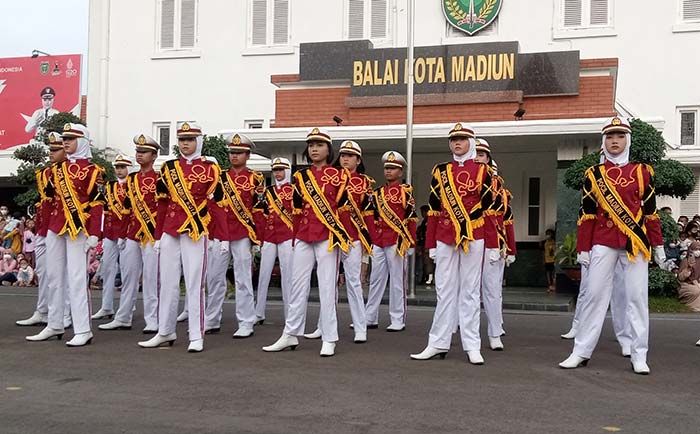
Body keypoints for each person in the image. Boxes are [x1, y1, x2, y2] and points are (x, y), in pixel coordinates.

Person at [559, 117, 665, 375]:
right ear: (604, 142)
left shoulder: (642, 172)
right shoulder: (593, 175)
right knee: (594, 296)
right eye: (609, 137)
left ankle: (639, 354)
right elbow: (587, 215)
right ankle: (581, 351)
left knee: (637, 298)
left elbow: (650, 212)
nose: (614, 141)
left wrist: (658, 244)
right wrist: (583, 248)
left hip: (634, 243)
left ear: (627, 140)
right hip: (602, 241)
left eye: (619, 136)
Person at [410, 123, 498, 365]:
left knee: (470, 291)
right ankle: (437, 343)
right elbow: (434, 210)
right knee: (444, 291)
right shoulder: (441, 171)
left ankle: (472, 345)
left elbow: (490, 212)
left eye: (462, 139)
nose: (457, 143)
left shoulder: (484, 172)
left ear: (472, 142)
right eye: (453, 139)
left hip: (474, 235)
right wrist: (431, 244)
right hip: (445, 235)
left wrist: (492, 246)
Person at [263, 128, 351, 357]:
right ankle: (290, 333)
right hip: (303, 235)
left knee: (326, 287)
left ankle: (329, 337)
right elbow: (297, 210)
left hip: (328, 237)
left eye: (319, 145)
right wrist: (294, 238)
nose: (314, 148)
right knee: (297, 285)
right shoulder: (300, 177)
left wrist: (343, 238)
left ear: (328, 149)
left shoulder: (341, 176)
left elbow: (343, 210)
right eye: (311, 144)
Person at [138, 122, 220, 353]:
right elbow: (162, 204)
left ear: (198, 141)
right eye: (182, 139)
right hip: (170, 229)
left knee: (195, 284)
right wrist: (157, 236)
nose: (185, 143)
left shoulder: (210, 169)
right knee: (168, 282)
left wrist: (217, 236)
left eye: (190, 139)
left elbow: (216, 206)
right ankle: (165, 330)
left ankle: (196, 335)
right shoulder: (168, 168)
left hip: (195, 229)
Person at [26, 123, 105, 346]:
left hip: (78, 229)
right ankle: (54, 323)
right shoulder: (55, 170)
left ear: (82, 142)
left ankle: (83, 329)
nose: (66, 142)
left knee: (77, 278)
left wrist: (94, 234)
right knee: (53, 276)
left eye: (71, 138)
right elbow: (50, 201)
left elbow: (98, 204)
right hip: (55, 226)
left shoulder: (94, 172)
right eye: (65, 138)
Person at [304, 140, 373, 343]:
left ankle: (360, 327)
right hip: (329, 236)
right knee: (327, 283)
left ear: (358, 160)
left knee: (353, 283)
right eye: (343, 155)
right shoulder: (329, 176)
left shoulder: (364, 182)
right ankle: (322, 326)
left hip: (352, 237)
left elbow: (368, 213)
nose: (345, 158)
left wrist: (367, 242)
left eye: (350, 156)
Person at [205, 133, 265, 338]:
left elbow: (258, 208)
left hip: (242, 233)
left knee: (243, 279)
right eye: (232, 152)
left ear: (247, 155)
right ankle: (211, 319)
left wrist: (257, 237)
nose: (234, 156)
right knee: (214, 277)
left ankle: (246, 321)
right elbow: (212, 207)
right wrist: (213, 234)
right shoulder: (220, 177)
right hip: (220, 234)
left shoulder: (255, 177)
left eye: (239, 153)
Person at [100, 135, 161, 333]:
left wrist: (160, 235)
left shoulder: (160, 178)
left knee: (151, 278)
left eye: (144, 152)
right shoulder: (132, 179)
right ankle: (123, 316)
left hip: (152, 233)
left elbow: (163, 208)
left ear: (154, 155)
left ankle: (153, 319)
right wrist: (123, 234)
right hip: (133, 233)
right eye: (138, 152)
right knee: (128, 276)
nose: (139, 155)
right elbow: (127, 208)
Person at [16, 132, 71, 327]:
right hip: (44, 228)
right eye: (50, 149)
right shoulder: (45, 173)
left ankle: (65, 314)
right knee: (44, 272)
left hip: (61, 228)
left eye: (56, 149)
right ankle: (43, 310)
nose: (51, 153)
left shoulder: (70, 171)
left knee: (62, 274)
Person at [364, 151, 417, 333]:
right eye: (387, 168)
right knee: (376, 279)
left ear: (400, 172)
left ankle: (397, 318)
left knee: (396, 281)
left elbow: (411, 218)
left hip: (397, 240)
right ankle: (370, 317)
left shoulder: (406, 192)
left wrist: (411, 243)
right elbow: (371, 216)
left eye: (393, 168)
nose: (388, 171)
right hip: (379, 239)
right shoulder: (377, 193)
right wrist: (372, 237)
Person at [474, 140, 516, 351]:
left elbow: (507, 222)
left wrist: (510, 249)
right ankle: (459, 326)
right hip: (470, 240)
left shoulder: (501, 191)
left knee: (492, 290)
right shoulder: (463, 183)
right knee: (466, 289)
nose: (478, 157)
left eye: (482, 154)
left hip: (493, 243)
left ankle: (494, 331)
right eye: (476, 153)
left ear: (488, 159)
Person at [254, 157, 294, 324]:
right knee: (263, 275)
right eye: (275, 170)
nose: (278, 173)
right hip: (269, 236)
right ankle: (258, 312)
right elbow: (260, 214)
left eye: (281, 170)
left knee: (288, 276)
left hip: (287, 235)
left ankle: (289, 314)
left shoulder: (294, 190)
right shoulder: (267, 191)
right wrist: (259, 239)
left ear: (287, 171)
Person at [93, 155, 132, 320]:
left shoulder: (133, 185)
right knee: (107, 269)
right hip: (110, 232)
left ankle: (127, 308)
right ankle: (106, 306)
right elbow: (104, 210)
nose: (120, 170)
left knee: (127, 270)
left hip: (128, 232)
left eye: (123, 166)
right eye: (117, 167)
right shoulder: (109, 186)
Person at [677, 241, 700, 312]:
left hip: (697, 283)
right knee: (696, 290)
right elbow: (680, 278)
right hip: (685, 284)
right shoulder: (685, 261)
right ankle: (692, 306)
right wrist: (689, 269)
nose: (698, 251)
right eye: (696, 249)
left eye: (699, 249)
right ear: (691, 250)